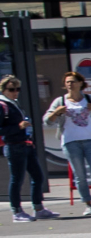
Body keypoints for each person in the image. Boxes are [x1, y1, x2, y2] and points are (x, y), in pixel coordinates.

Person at [46, 72, 91, 216]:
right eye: (67, 82)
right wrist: (56, 113)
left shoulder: (89, 99)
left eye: (72, 81)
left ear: (80, 83)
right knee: (80, 175)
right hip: (71, 142)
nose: (69, 84)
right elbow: (47, 121)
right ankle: (88, 205)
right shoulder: (60, 101)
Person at [1, 77, 53, 222]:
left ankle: (38, 208)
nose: (15, 92)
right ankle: (17, 212)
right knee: (17, 180)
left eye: (17, 89)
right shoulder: (2, 105)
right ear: (3, 90)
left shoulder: (14, 104)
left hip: (25, 144)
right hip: (14, 146)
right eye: (11, 89)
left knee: (37, 177)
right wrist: (18, 127)